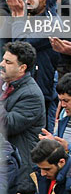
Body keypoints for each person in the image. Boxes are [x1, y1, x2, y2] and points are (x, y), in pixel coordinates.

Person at [2, 41, 45, 185]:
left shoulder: (31, 95)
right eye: (3, 59)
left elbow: (8, 125)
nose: (2, 64)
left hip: (19, 172)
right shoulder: (5, 85)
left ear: (22, 68)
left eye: (8, 62)